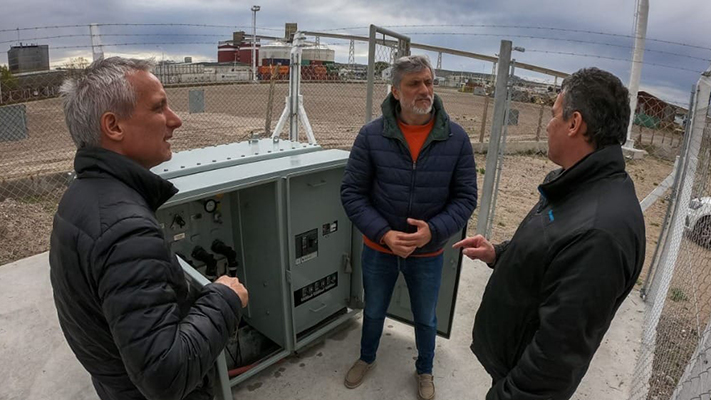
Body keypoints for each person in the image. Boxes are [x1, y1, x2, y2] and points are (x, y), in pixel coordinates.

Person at [49, 57, 248, 400]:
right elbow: (164, 376)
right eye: (159, 108)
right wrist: (225, 299)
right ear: (113, 126)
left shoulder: (80, 197)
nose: (176, 120)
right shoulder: (126, 232)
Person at [454, 67, 645, 400]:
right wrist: (500, 253)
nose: (547, 124)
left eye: (554, 115)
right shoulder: (580, 183)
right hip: (508, 360)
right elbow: (554, 246)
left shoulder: (599, 235)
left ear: (574, 124)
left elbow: (554, 360)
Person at [341, 55, 478, 400]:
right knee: (373, 310)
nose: (424, 90)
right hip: (379, 250)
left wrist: (432, 231)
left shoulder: (456, 139)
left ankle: (425, 369)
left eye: (429, 82)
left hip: (428, 252)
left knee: (426, 318)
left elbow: (465, 198)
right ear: (395, 92)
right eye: (414, 84)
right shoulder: (371, 135)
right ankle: (367, 357)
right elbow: (352, 193)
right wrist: (384, 234)